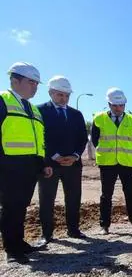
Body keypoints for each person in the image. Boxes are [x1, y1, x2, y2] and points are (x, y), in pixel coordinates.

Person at [0, 62, 53, 264]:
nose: (35, 87)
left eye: (36, 84)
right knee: (10, 206)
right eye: (31, 82)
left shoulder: (33, 109)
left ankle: (19, 242)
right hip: (9, 166)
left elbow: (39, 140)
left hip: (29, 166)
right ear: (15, 80)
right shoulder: (3, 100)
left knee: (21, 205)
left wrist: (44, 163)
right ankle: (11, 250)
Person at [34, 76, 88, 248]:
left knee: (73, 198)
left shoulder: (76, 114)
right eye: (59, 95)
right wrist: (53, 156)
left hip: (73, 165)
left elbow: (82, 139)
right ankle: (47, 234)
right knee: (47, 199)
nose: (63, 99)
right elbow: (39, 138)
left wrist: (75, 155)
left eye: (66, 95)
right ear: (50, 93)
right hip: (49, 164)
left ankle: (73, 229)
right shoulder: (39, 111)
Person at [91, 88, 132, 234]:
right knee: (106, 194)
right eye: (115, 105)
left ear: (125, 105)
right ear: (109, 104)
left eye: (121, 105)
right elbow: (95, 140)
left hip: (127, 163)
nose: (118, 108)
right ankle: (104, 225)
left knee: (130, 194)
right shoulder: (99, 119)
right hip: (107, 163)